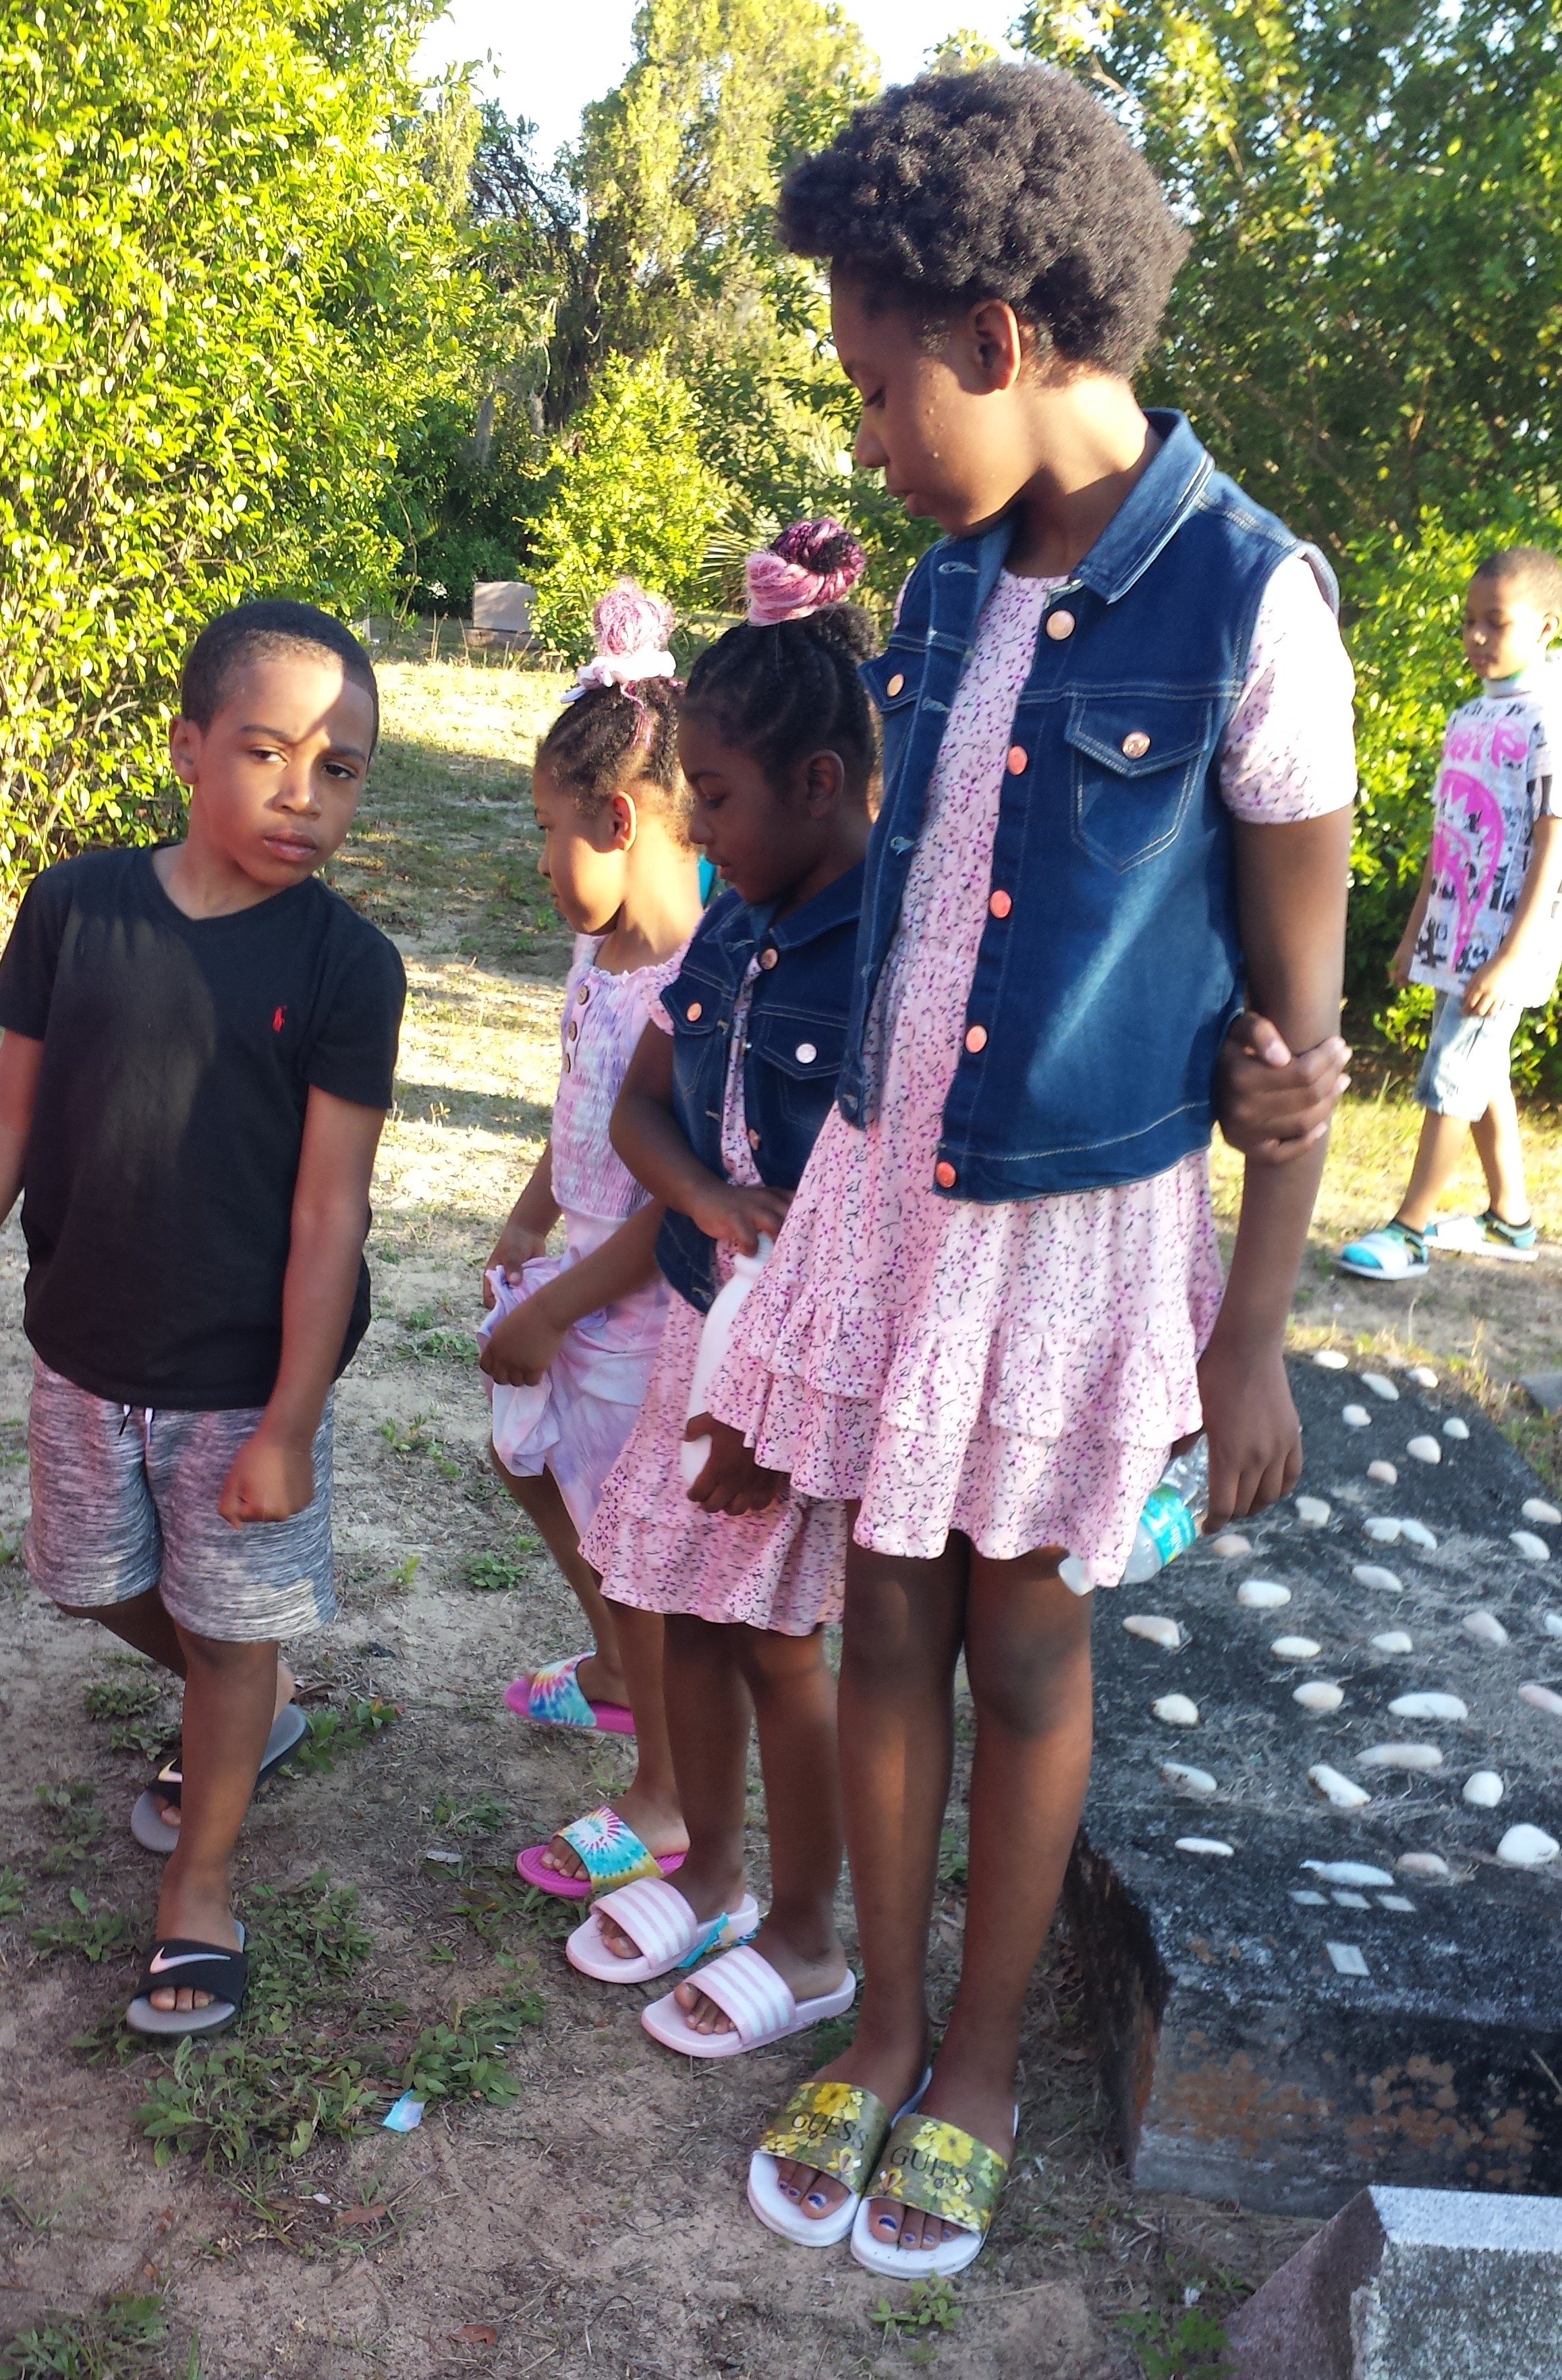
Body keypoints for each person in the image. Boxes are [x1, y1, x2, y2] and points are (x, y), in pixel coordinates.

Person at [703, 65, 1356, 2273]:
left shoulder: (1250, 601)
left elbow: (1296, 1040)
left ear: (992, 337)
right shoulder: (942, 586)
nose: (867, 437)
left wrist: (1246, 1333)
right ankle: (883, 2025)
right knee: (881, 1605)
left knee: (1024, 1641)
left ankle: (979, 2060)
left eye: (877, 384)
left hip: (1078, 1233)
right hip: (898, 1189)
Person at [0, 600, 405, 2037]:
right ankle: (251, 1705)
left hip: (244, 1372)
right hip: (85, 1341)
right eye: (268, 752)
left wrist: (289, 1418)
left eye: (340, 769)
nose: (305, 794)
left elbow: (330, 1212)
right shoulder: (72, 908)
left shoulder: (348, 966)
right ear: (186, 748)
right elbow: (11, 1120)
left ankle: (202, 1880)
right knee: (94, 1584)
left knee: (229, 1635)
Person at [560, 523, 868, 2045]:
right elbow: (642, 1110)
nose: (701, 830)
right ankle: (711, 1872)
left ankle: (807, 1937)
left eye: (720, 799)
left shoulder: (884, 951)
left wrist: (782, 1329)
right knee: (672, 1602)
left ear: (819, 782)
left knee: (774, 1642)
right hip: (701, 1318)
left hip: (799, 1359)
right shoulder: (731, 924)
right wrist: (703, 1196)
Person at [481, 582, 704, 1901]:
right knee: (526, 1457)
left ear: (618, 822)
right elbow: (577, 1100)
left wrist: (556, 1307)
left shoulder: (693, 987)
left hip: (644, 1310)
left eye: (547, 833)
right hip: (582, 1285)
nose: (539, 862)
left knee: (640, 1551)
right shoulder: (604, 953)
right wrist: (529, 1220)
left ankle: (665, 1798)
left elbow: (681, 1204)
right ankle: (616, 1670)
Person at [1339, 547, 1562, 1280]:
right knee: (1478, 1069)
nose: (1476, 636)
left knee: (1451, 1072)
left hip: (1506, 942)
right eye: (1468, 622)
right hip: (1454, 932)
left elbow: (1552, 841)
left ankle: (1409, 1229)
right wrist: (1414, 937)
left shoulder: (1550, 716)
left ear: (1546, 627)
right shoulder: (1467, 717)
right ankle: (1509, 1217)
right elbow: (1448, 835)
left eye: (1495, 622)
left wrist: (1512, 957)